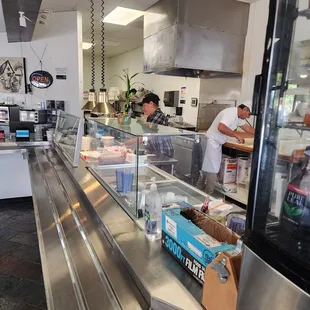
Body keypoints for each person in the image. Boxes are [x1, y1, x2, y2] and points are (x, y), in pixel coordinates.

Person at [198, 104, 254, 194]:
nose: (248, 117)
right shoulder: (231, 113)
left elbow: (248, 128)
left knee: (208, 167)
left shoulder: (237, 117)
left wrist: (261, 136)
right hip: (211, 141)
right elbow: (221, 127)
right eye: (249, 114)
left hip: (215, 142)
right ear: (245, 110)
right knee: (212, 168)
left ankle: (200, 191)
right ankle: (208, 194)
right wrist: (236, 135)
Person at [138, 93, 173, 158]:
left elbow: (147, 136)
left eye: (144, 106)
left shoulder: (158, 116)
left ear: (151, 104)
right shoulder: (150, 117)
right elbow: (145, 136)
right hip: (155, 151)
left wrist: (129, 143)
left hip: (163, 152)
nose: (143, 109)